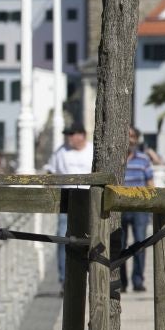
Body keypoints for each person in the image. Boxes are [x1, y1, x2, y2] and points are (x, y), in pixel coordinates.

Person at [46, 122, 94, 288]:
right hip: (66, 200)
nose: (69, 138)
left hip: (90, 200)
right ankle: (64, 279)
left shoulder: (92, 150)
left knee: (91, 237)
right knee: (63, 238)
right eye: (68, 135)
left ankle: (90, 273)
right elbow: (50, 172)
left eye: (72, 134)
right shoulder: (60, 152)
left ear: (82, 135)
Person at [119, 126, 155, 293]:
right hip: (118, 208)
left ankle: (138, 280)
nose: (130, 139)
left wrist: (152, 205)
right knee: (119, 245)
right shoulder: (115, 160)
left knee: (140, 243)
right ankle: (122, 282)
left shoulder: (143, 159)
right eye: (127, 136)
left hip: (139, 209)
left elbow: (150, 184)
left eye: (133, 136)